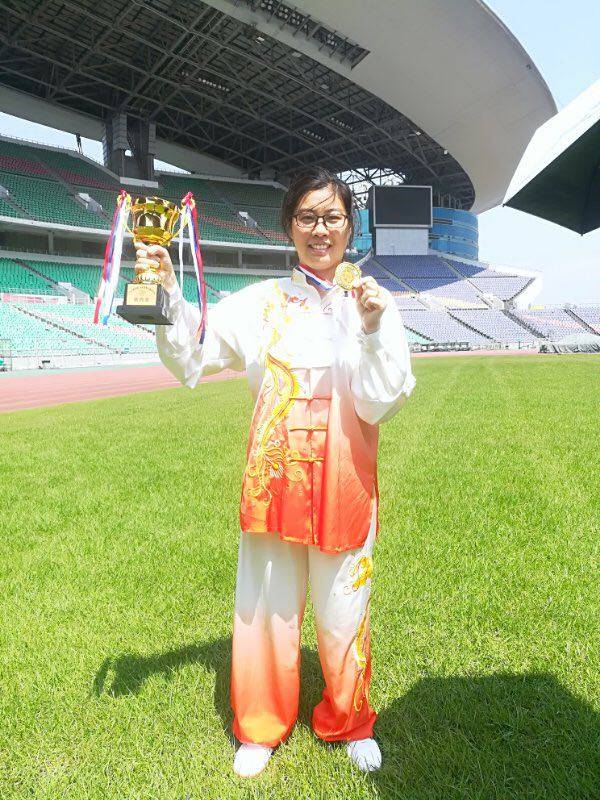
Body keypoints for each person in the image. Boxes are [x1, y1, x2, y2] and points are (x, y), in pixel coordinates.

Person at [135, 167, 416, 778]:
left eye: (332, 217)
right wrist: (167, 292)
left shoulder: (373, 302)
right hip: (273, 484)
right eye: (307, 217)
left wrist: (371, 331)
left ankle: (349, 720)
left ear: (350, 227)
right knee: (266, 608)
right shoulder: (259, 304)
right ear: (289, 226)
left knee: (343, 610)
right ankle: (261, 725)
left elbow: (380, 402)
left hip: (345, 484)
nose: (320, 229)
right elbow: (194, 353)